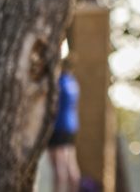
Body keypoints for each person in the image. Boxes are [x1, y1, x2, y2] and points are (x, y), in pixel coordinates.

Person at [47, 53, 82, 192]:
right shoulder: (73, 82)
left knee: (59, 168)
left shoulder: (59, 84)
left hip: (58, 126)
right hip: (71, 126)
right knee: (71, 166)